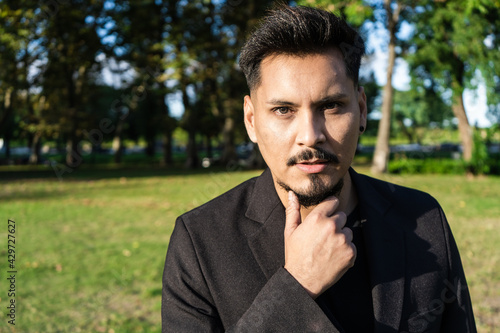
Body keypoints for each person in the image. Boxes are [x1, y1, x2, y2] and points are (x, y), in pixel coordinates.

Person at [161, 5, 476, 332]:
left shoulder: (424, 218)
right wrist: (297, 284)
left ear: (362, 109)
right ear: (252, 121)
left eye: (331, 106)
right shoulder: (200, 242)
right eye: (284, 109)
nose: (310, 136)